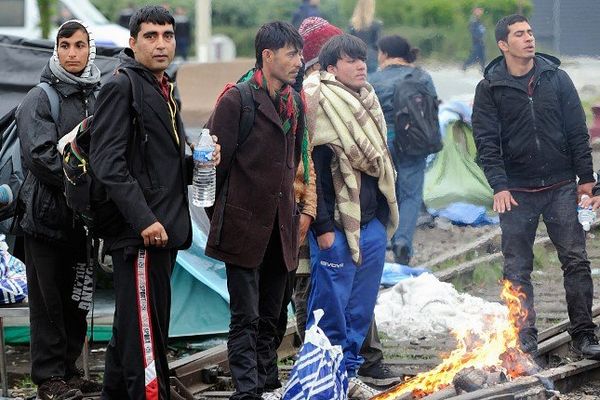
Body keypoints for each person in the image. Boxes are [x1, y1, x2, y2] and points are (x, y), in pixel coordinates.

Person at [89, 6, 220, 399]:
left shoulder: (164, 87)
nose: (161, 44)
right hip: (142, 234)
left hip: (165, 227)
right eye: (150, 36)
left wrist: (197, 161)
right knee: (147, 336)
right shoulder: (121, 86)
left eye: (167, 35)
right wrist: (145, 220)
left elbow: (156, 163)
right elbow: (107, 163)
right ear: (133, 43)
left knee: (134, 330)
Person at [472, 14, 600, 360]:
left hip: (560, 185)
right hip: (516, 192)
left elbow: (577, 132)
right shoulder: (489, 88)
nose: (529, 38)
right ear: (503, 44)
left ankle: (584, 335)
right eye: (519, 34)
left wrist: (586, 182)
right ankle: (524, 336)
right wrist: (499, 185)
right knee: (517, 268)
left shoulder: (556, 79)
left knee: (575, 261)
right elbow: (486, 142)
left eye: (530, 32)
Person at [205, 21, 305, 400]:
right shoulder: (237, 100)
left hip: (280, 231)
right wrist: (225, 218)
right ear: (267, 56)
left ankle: (267, 384)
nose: (299, 61)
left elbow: (291, 165)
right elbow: (212, 167)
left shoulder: (293, 102)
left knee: (274, 317)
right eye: (291, 54)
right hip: (243, 230)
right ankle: (247, 392)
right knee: (245, 318)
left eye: (300, 53)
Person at [303, 34, 398, 399]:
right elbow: (309, 171)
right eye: (350, 61)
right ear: (330, 69)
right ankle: (321, 375)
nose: (361, 66)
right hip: (335, 226)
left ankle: (349, 371)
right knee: (329, 305)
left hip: (370, 221)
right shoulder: (317, 102)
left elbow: (381, 163)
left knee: (361, 305)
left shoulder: (368, 101)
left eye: (363, 59)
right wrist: (323, 227)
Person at [16, 19, 102, 400]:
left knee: (77, 301)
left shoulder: (99, 95)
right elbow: (41, 157)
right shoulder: (40, 98)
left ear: (89, 49)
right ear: (56, 49)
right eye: (65, 45)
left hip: (81, 225)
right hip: (45, 221)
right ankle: (48, 379)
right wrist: (86, 186)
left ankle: (69, 371)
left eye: (79, 45)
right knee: (48, 303)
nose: (72, 53)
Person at [369, 34, 438, 265]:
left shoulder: (373, 80)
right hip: (413, 142)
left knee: (382, 193)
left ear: (385, 54)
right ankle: (402, 243)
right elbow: (432, 109)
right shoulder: (422, 77)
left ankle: (376, 244)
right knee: (410, 195)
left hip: (381, 142)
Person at [348, 0, 382, 73]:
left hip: (356, 57)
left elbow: (349, 43)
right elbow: (378, 44)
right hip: (371, 57)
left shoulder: (352, 25)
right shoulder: (376, 24)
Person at [462, 7, 486, 71]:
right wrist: (478, 38)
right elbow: (472, 31)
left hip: (480, 42)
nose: (480, 12)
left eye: (481, 10)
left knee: (482, 57)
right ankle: (464, 66)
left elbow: (482, 31)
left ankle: (483, 70)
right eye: (478, 10)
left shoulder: (480, 20)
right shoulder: (473, 20)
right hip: (477, 42)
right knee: (474, 57)